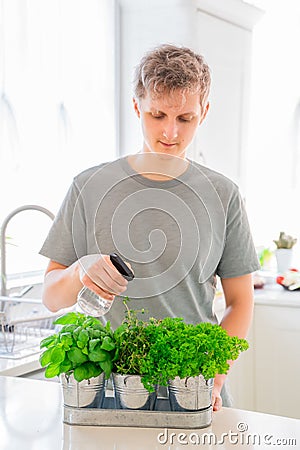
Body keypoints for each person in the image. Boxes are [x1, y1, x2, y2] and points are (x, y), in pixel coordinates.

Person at [40, 44, 260, 411]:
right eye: (157, 114)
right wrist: (81, 271)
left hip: (194, 390)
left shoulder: (223, 195)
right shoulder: (88, 187)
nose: (170, 131)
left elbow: (240, 302)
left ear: (204, 112)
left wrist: (213, 379)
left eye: (185, 118)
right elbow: (50, 297)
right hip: (108, 395)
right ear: (136, 106)